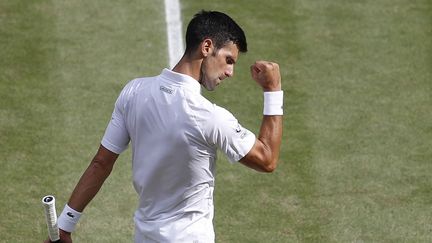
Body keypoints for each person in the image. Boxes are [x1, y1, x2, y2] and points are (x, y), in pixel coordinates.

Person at [45, 10, 283, 243]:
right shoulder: (209, 116)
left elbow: (101, 162)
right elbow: (267, 159)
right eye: (228, 60)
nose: (230, 72)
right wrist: (273, 90)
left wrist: (65, 225)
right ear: (207, 47)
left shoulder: (133, 92)